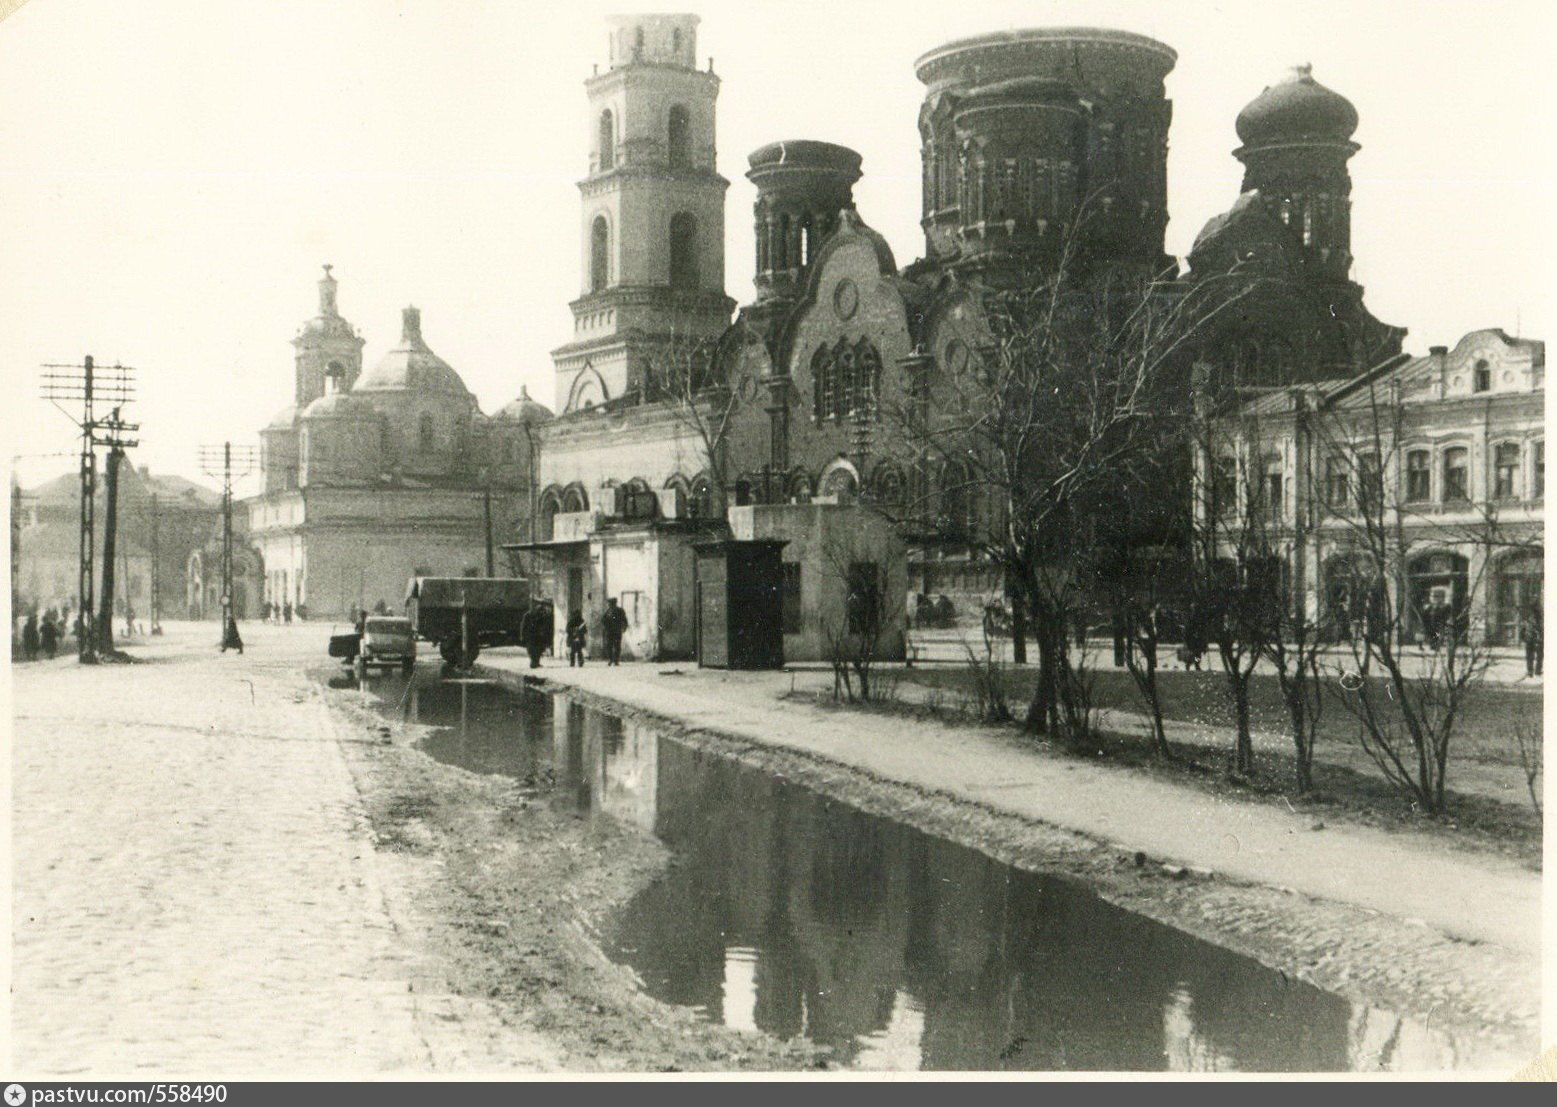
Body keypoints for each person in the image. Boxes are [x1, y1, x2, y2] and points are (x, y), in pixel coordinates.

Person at [520, 602, 550, 669]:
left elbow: (544, 625)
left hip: (538, 636)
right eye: (539, 609)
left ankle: (537, 662)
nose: (540, 611)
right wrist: (522, 635)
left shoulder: (541, 615)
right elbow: (523, 626)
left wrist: (543, 633)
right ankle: (533, 663)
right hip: (530, 636)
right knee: (532, 650)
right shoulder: (528, 615)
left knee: (539, 650)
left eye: (541, 609)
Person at [602, 597, 628, 666]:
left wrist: (624, 627)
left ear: (614, 603)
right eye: (609, 603)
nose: (610, 605)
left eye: (611, 603)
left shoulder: (620, 611)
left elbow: (624, 619)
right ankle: (611, 659)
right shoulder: (608, 611)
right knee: (609, 646)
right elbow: (603, 620)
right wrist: (605, 627)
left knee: (617, 646)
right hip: (610, 631)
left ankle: (616, 660)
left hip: (616, 631)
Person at [1520, 601, 1543, 678]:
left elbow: (1523, 629)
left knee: (1530, 656)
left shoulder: (1528, 619)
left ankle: (1531, 671)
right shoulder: (1540, 619)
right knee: (1539, 655)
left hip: (1530, 638)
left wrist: (1523, 638)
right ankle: (1537, 670)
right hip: (1536, 639)